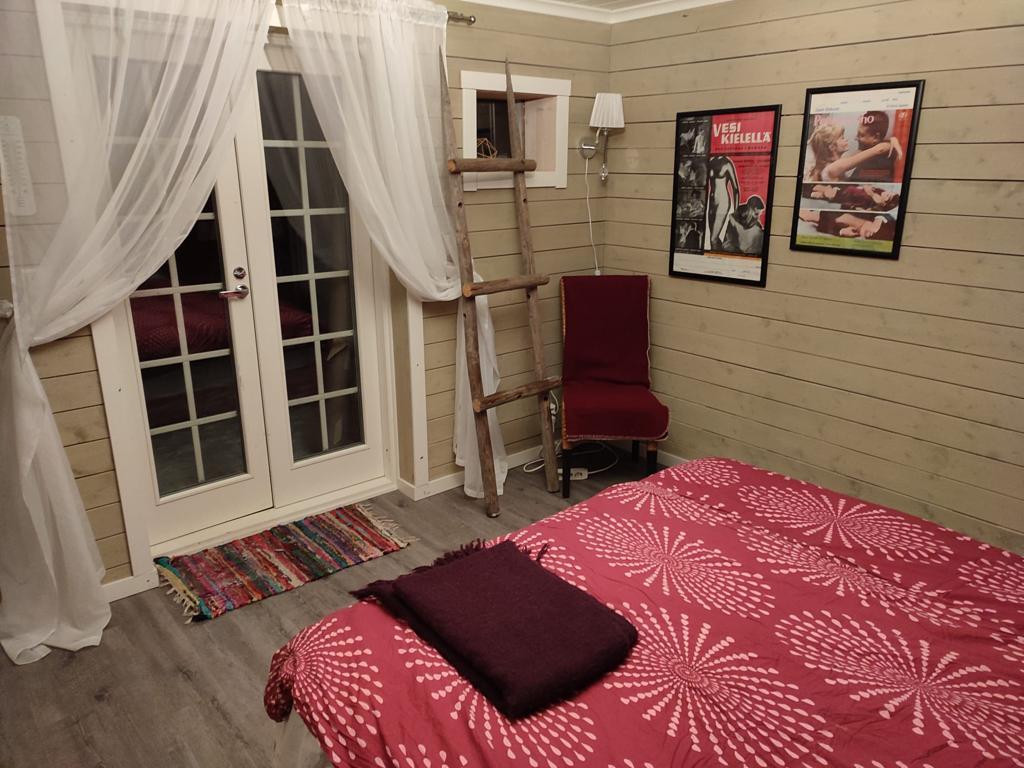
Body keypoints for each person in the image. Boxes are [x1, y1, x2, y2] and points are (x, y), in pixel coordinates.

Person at [805, 123, 902, 183]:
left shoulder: (837, 163)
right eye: (842, 138)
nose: (846, 139)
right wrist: (894, 143)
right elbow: (878, 149)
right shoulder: (833, 167)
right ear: (832, 147)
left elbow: (862, 152)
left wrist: (891, 139)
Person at [850, 110, 896, 182]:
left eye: (861, 135)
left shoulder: (872, 165)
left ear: (876, 137)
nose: (856, 138)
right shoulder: (884, 154)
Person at [706, 155, 739, 250]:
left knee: (713, 239)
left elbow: (735, 189)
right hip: (712, 202)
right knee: (713, 238)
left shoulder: (727, 163)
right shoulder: (711, 161)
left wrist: (736, 212)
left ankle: (716, 261)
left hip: (723, 202)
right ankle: (719, 257)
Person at [799, 209, 895, 241]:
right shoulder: (877, 214)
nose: (873, 234)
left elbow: (810, 217)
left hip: (818, 214)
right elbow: (887, 216)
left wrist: (841, 232)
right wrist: (879, 219)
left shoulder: (849, 234)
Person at [808, 184, 900, 211]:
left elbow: (864, 208)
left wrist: (871, 194)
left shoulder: (877, 205)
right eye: (889, 192)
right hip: (848, 191)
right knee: (825, 192)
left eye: (888, 196)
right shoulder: (879, 191)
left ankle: (810, 192)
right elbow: (866, 187)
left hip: (846, 197)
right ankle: (810, 190)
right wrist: (870, 192)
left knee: (826, 193)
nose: (887, 193)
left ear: (885, 202)